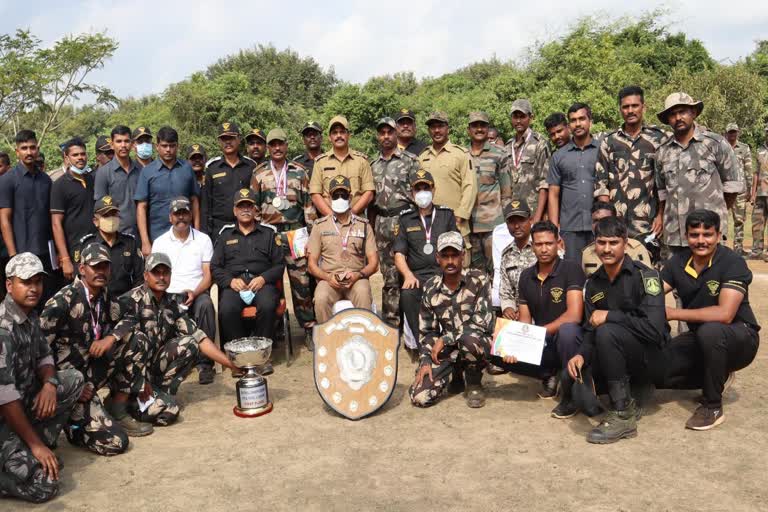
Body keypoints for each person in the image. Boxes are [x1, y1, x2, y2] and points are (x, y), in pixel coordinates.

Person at [40, 243, 153, 454]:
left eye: (105, 266)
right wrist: (71, 385)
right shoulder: (61, 302)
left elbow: (130, 316)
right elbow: (40, 354)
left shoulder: (104, 295)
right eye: (95, 266)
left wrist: (110, 338)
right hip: (67, 383)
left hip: (92, 372)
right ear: (82, 269)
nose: (101, 272)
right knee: (116, 442)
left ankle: (117, 408)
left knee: (137, 339)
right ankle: (74, 429)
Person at [565, 217, 668, 444]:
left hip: (651, 358)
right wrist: (581, 353)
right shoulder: (593, 284)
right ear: (594, 245)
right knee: (578, 392)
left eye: (614, 242)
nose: (607, 249)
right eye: (601, 243)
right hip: (615, 354)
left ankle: (623, 413)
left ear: (626, 242)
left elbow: (654, 330)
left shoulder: (647, 277)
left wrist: (610, 316)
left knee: (608, 332)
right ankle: (633, 391)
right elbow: (591, 328)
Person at [661, 209, 759, 430]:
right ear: (686, 236)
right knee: (658, 367)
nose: (701, 240)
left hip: (740, 338)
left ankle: (712, 405)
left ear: (719, 235)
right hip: (699, 337)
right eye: (694, 235)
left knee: (711, 330)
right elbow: (652, 292)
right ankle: (715, 375)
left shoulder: (732, 262)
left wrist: (673, 313)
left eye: (708, 234)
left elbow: (725, 314)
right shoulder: (678, 261)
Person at [115, 253, 239, 425]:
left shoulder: (172, 303)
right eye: (155, 272)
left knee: (190, 344)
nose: (161, 277)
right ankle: (123, 403)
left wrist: (231, 364)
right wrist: (140, 380)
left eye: (165, 273)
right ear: (145, 275)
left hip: (152, 368)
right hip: (129, 375)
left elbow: (200, 338)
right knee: (167, 413)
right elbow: (117, 349)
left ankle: (160, 394)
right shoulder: (128, 301)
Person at [0, 253, 84, 503]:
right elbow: (5, 398)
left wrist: (49, 383)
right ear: (9, 285)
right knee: (45, 485)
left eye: (37, 281)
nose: (34, 288)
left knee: (72, 380)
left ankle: (31, 447)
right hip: (5, 418)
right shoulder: (3, 329)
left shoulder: (30, 315)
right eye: (26, 282)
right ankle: (26, 452)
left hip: (21, 405)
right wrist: (36, 446)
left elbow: (45, 357)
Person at [499, 221, 586, 407]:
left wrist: (540, 332)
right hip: (542, 342)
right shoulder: (526, 276)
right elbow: (525, 321)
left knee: (567, 331)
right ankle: (549, 374)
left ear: (559, 243)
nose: (544, 249)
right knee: (498, 351)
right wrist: (516, 346)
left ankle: (571, 390)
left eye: (549, 243)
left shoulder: (571, 269)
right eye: (539, 244)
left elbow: (575, 315)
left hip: (568, 341)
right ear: (533, 246)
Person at [408, 232, 493, 408]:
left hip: (475, 343)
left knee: (469, 341)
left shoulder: (479, 280)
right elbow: (427, 331)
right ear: (437, 258)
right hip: (447, 350)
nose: (450, 261)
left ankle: (474, 382)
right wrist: (425, 361)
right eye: (445, 256)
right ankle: (454, 375)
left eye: (454, 255)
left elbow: (482, 321)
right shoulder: (431, 287)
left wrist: (446, 338)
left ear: (463, 255)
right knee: (420, 397)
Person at [251, 128, 317, 346]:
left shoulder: (300, 171)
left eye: (280, 144)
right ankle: (275, 328)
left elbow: (308, 205)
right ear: (268, 148)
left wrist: (311, 237)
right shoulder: (259, 173)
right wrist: (258, 237)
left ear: (287, 145)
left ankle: (308, 328)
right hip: (269, 234)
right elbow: (254, 208)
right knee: (271, 282)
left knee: (302, 282)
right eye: (273, 145)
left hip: (296, 233)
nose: (277, 148)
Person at [655, 92, 742, 254]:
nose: (678, 117)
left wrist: (716, 214)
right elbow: (662, 192)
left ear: (693, 113)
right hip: (675, 235)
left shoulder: (716, 144)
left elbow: (732, 186)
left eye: (682, 111)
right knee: (676, 278)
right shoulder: (662, 151)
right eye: (672, 114)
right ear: (668, 120)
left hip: (708, 234)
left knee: (710, 278)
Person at [151, 197, 216, 385]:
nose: (181, 218)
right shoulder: (160, 242)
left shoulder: (203, 240)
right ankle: (170, 364)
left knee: (206, 305)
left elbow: (208, 276)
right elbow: (156, 277)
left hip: (196, 292)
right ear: (170, 217)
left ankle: (205, 364)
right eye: (177, 214)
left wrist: (194, 292)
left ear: (191, 215)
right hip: (169, 294)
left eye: (185, 213)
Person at [211, 189, 285, 345]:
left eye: (249, 206)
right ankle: (240, 352)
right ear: (235, 210)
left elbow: (279, 265)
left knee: (267, 305)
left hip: (261, 285)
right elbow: (216, 267)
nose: (245, 209)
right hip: (235, 286)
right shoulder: (225, 235)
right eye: (241, 206)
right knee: (227, 309)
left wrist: (263, 278)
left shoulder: (269, 234)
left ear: (255, 209)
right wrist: (230, 281)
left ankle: (262, 351)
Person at [393, 170, 457, 351]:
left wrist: (450, 275)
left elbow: (458, 250)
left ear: (433, 190)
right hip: (417, 276)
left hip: (443, 274)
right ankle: (423, 345)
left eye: (426, 188)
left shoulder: (446, 215)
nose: (422, 192)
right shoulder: (405, 219)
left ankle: (450, 342)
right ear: (412, 193)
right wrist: (407, 276)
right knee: (408, 294)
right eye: (418, 189)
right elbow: (399, 254)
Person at [595, 86, 667, 239]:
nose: (630, 110)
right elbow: (601, 185)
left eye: (635, 106)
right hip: (617, 224)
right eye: (625, 107)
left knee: (648, 262)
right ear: (620, 110)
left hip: (648, 222)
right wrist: (608, 220)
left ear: (643, 107)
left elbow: (665, 184)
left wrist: (660, 215)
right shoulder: (609, 141)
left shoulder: (659, 139)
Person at [307, 176, 379, 323]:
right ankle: (326, 342)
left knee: (364, 294)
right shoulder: (319, 226)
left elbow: (374, 263)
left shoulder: (364, 225)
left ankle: (362, 340)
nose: (340, 198)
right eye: (336, 195)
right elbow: (311, 264)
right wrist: (327, 278)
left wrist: (358, 275)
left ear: (350, 197)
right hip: (329, 278)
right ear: (329, 198)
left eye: (344, 195)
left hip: (356, 278)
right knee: (320, 298)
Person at [0, 130, 59, 306]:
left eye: (32, 147)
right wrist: (13, 255)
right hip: (20, 254)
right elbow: (4, 219)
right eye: (24, 148)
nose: (29, 152)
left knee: (45, 301)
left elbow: (51, 218)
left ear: (37, 149)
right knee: (21, 304)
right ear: (17, 151)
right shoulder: (7, 180)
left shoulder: (46, 180)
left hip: (45, 254)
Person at [370, 117, 419, 327]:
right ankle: (391, 324)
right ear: (378, 136)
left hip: (405, 220)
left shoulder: (410, 161)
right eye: (382, 133)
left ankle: (411, 322)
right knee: (388, 275)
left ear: (396, 133)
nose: (386, 136)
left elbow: (421, 193)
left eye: (390, 132)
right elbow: (370, 200)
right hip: (382, 222)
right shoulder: (372, 165)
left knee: (408, 270)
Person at [135, 126, 201, 255]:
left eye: (172, 146)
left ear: (178, 146)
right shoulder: (147, 172)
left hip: (186, 236)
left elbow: (194, 201)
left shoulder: (187, 169)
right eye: (164, 146)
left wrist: (197, 233)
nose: (168, 150)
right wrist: (145, 242)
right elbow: (141, 207)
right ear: (157, 146)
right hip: (158, 237)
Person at [418, 112, 477, 255]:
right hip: (429, 224)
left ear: (448, 128)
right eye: (433, 127)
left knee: (459, 268)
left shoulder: (461, 154)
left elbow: (470, 186)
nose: (436, 130)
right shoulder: (422, 157)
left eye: (440, 126)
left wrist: (460, 215)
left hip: (456, 222)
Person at [547, 103, 599, 263]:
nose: (578, 124)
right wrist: (554, 230)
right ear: (569, 125)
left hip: (598, 225)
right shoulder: (558, 156)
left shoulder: (603, 149)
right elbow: (553, 195)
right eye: (573, 120)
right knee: (572, 274)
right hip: (570, 228)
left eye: (582, 119)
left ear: (590, 121)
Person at [468, 111, 512, 272]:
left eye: (482, 126)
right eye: (475, 126)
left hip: (493, 226)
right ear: (468, 130)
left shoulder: (499, 154)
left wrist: (506, 225)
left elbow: (506, 192)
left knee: (496, 270)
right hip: (469, 226)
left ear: (487, 129)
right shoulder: (461, 155)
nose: (479, 129)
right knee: (474, 274)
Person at [77, 196, 143, 297]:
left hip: (126, 301)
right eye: (106, 215)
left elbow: (139, 278)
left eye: (114, 214)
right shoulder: (87, 244)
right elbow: (80, 278)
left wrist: (131, 300)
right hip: (96, 301)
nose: (111, 219)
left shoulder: (130, 243)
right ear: (96, 221)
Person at [309, 116, 375, 218]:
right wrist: (332, 217)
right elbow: (315, 195)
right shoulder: (320, 162)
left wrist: (351, 215)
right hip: (329, 222)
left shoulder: (361, 161)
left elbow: (369, 192)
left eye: (342, 132)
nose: (339, 135)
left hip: (356, 220)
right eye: (335, 132)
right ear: (329, 137)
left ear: (349, 135)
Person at [50, 137, 95, 280]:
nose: (80, 158)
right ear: (67, 157)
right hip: (74, 250)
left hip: (95, 246)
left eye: (83, 154)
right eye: (75, 155)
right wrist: (65, 258)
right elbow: (56, 223)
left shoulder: (92, 179)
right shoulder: (60, 185)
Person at [201, 122, 255, 241]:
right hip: (219, 228)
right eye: (224, 139)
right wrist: (205, 234)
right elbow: (205, 204)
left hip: (247, 227)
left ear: (239, 139)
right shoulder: (211, 168)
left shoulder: (251, 166)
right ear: (219, 142)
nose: (228, 142)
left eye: (231, 138)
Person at [505, 99, 550, 222]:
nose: (518, 121)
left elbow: (544, 183)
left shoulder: (540, 143)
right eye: (515, 116)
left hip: (532, 212)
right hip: (512, 213)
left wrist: (537, 217)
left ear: (531, 117)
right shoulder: (508, 146)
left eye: (522, 116)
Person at [94, 125, 143, 237]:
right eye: (119, 141)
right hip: (116, 235)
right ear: (112, 144)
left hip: (140, 233)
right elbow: (100, 209)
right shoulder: (103, 172)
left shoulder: (140, 170)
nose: (123, 145)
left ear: (131, 143)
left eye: (126, 141)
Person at [582, 202, 653, 276]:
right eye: (595, 221)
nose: (600, 224)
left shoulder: (637, 248)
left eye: (605, 220)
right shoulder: (587, 253)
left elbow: (647, 279)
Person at [498, 200, 537, 321]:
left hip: (542, 313)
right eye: (511, 222)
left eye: (521, 220)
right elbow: (505, 290)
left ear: (530, 220)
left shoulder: (542, 246)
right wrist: (507, 308)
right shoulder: (506, 254)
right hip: (516, 315)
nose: (516, 226)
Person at [723, 123, 753, 256]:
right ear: (726, 133)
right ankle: (721, 248)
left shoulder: (744, 148)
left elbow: (749, 170)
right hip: (724, 189)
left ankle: (738, 249)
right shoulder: (721, 147)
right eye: (730, 132)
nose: (732, 135)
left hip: (740, 190)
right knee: (722, 219)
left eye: (734, 132)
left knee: (739, 220)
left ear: (738, 132)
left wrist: (750, 189)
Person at [751, 123, 768, 260]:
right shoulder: (760, 150)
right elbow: (756, 173)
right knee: (757, 222)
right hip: (760, 192)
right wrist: (753, 193)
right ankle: (756, 250)